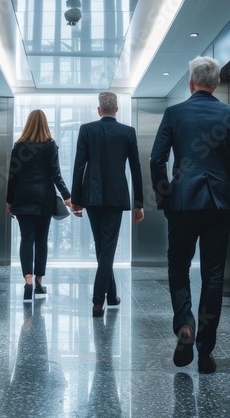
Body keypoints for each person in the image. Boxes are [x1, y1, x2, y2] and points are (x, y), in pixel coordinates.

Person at [150, 56, 230, 374]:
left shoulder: (175, 113)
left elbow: (156, 158)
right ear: (214, 84)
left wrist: (164, 195)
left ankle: (184, 323)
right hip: (219, 203)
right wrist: (225, 168)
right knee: (213, 274)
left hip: (183, 201)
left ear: (191, 83)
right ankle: (206, 350)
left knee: (179, 265)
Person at [71, 92, 145, 317]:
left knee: (103, 246)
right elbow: (136, 169)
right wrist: (138, 203)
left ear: (99, 110)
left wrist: (76, 199)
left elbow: (79, 166)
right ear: (117, 109)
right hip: (116, 196)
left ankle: (109, 296)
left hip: (92, 196)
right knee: (108, 246)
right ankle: (99, 300)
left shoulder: (87, 129)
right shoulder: (127, 132)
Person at [7, 109, 72, 302]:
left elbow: (12, 177)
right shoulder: (50, 145)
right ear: (45, 124)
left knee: (26, 238)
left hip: (23, 197)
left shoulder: (18, 146)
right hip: (44, 198)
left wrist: (9, 201)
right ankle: (38, 283)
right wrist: (66, 195)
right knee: (41, 240)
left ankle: (27, 281)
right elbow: (55, 173)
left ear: (28, 124)